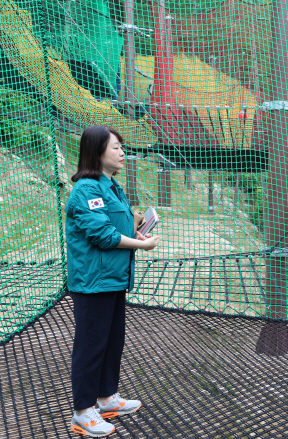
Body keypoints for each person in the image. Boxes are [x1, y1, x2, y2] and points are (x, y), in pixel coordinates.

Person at [66, 125, 161, 437]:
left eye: (122, 147)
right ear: (97, 152)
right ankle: (83, 411)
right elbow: (103, 235)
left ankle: (106, 399)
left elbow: (116, 225)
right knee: (91, 346)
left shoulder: (112, 185)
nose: (122, 152)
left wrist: (136, 232)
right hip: (94, 281)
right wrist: (142, 245)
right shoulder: (86, 189)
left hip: (114, 278)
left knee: (111, 343)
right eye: (116, 147)